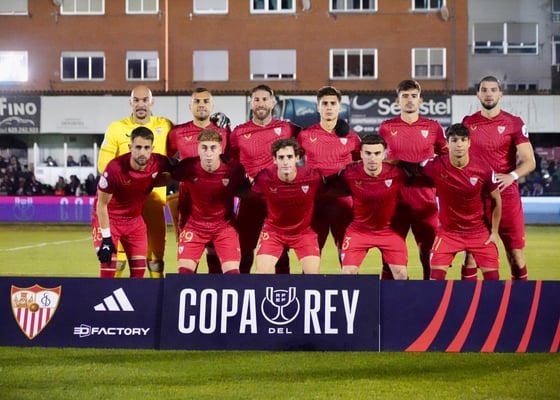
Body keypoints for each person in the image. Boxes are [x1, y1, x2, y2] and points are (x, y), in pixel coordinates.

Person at [462, 76, 535, 280]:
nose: (488, 94)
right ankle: (467, 298)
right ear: (478, 95)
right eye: (484, 90)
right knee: (471, 256)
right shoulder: (468, 123)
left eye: (493, 90)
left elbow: (529, 161)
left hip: (507, 197)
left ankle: (520, 297)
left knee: (515, 255)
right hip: (477, 198)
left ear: (500, 94)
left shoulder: (513, 123)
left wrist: (512, 175)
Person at [98, 85, 174, 278]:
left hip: (154, 202)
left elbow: (186, 143)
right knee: (119, 259)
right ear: (130, 102)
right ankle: (113, 294)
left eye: (145, 100)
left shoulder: (166, 125)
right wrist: (130, 181)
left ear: (152, 102)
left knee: (155, 259)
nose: (141, 104)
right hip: (124, 204)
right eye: (137, 100)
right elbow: (103, 165)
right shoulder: (116, 128)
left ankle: (156, 295)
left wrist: (214, 125)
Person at [378, 79, 447, 280]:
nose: (409, 100)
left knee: (429, 255)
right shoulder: (386, 127)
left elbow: (446, 159)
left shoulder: (433, 127)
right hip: (394, 202)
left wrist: (429, 168)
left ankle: (429, 294)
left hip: (425, 202)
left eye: (414, 96)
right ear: (397, 101)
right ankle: (391, 296)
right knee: (390, 257)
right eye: (405, 96)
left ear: (420, 100)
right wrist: (396, 164)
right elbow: (377, 160)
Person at [230, 84, 300, 273]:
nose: (261, 103)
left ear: (273, 102)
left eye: (265, 99)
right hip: (250, 199)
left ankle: (283, 287)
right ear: (251, 103)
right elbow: (229, 160)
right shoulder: (238, 133)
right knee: (244, 249)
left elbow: (311, 137)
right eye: (257, 99)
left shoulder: (286, 128)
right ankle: (243, 286)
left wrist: (338, 128)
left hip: (278, 200)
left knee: (281, 251)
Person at [418, 123, 502, 280]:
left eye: (463, 140)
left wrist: (495, 232)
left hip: (479, 232)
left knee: (493, 281)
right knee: (435, 279)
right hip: (448, 233)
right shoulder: (434, 165)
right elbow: (409, 169)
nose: (459, 144)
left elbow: (496, 199)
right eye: (454, 140)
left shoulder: (483, 168)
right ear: (447, 143)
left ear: (469, 143)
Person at [166, 87, 231, 273]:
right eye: (197, 101)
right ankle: (190, 289)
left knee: (216, 256)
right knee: (188, 257)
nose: (201, 105)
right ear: (190, 106)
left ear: (212, 106)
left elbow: (233, 160)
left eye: (205, 101)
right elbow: (166, 159)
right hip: (188, 204)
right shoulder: (178, 133)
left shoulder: (224, 130)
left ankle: (214, 290)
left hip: (218, 203)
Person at [297, 86, 361, 261]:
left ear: (339, 107)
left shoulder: (352, 138)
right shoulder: (305, 135)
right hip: (315, 201)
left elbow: (359, 163)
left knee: (347, 253)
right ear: (318, 107)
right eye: (324, 103)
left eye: (333, 103)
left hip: (343, 202)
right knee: (312, 252)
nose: (329, 107)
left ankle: (348, 279)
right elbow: (292, 161)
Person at [172, 129, 248, 274]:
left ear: (220, 149)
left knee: (233, 275)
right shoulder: (187, 166)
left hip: (224, 228)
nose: (208, 153)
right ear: (198, 148)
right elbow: (168, 175)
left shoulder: (234, 169)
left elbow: (246, 190)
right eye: (204, 148)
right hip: (195, 227)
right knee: (183, 275)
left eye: (213, 148)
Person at [334, 135, 409, 279]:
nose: (372, 158)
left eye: (377, 153)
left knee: (401, 274)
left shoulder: (397, 173)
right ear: (361, 154)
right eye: (368, 153)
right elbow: (333, 187)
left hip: (389, 231)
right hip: (359, 231)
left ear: (384, 154)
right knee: (347, 274)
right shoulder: (349, 173)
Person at [253, 138, 323, 274]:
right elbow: (249, 193)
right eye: (281, 157)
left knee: (313, 277)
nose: (285, 162)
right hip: (273, 233)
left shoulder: (312, 177)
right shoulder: (264, 178)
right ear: (274, 160)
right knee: (261, 275)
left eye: (289, 157)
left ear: (297, 158)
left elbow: (329, 191)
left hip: (303, 233)